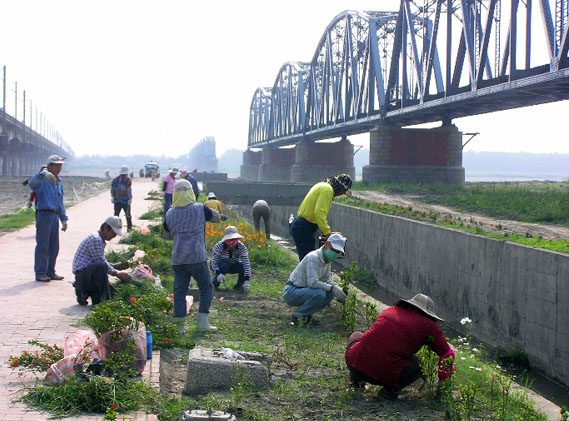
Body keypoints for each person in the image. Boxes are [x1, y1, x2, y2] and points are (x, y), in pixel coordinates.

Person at [344, 294, 455, 400]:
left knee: (356, 335)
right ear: (429, 314)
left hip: (355, 365)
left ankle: (356, 381)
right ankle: (389, 391)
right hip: (384, 374)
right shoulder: (429, 326)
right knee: (419, 363)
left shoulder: (390, 311)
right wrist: (443, 383)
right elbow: (447, 354)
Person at [164, 179, 221, 333]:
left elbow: (167, 232)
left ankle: (180, 327)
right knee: (206, 288)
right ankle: (202, 323)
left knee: (179, 292)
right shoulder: (200, 209)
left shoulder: (170, 213)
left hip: (178, 258)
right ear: (190, 193)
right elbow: (215, 218)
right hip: (196, 256)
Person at [282, 232, 348, 325]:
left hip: (305, 291)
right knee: (320, 294)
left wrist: (337, 288)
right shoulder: (313, 258)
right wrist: (332, 288)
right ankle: (298, 316)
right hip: (292, 291)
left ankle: (307, 315)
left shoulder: (327, 261)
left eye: (337, 252)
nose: (334, 253)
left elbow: (326, 280)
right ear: (326, 245)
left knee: (329, 293)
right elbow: (312, 283)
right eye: (333, 250)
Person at [290, 173, 353, 261]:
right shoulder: (328, 190)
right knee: (308, 261)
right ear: (341, 187)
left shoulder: (322, 185)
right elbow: (319, 213)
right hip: (304, 227)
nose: (341, 194)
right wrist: (327, 233)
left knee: (306, 260)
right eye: (343, 191)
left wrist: (326, 231)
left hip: (302, 225)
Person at [72, 216, 132, 306]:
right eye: (113, 233)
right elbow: (100, 262)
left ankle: (87, 293)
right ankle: (83, 290)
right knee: (101, 267)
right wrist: (117, 273)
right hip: (83, 275)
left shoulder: (99, 239)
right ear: (105, 228)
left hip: (89, 274)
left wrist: (114, 268)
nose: (114, 236)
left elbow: (99, 259)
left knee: (104, 297)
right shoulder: (96, 239)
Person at [28, 155, 69, 282]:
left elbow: (60, 201)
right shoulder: (43, 179)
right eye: (56, 165)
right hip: (44, 214)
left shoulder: (59, 181)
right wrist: (43, 173)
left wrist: (64, 218)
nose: (59, 168)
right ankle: (40, 272)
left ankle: (50, 271)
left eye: (60, 165)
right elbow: (31, 183)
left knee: (54, 246)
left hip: (55, 215)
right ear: (49, 166)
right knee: (43, 245)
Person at [210, 226, 251, 292]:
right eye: (230, 239)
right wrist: (218, 272)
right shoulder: (219, 246)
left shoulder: (241, 246)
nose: (232, 241)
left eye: (234, 238)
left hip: (234, 264)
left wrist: (247, 280)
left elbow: (246, 263)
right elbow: (214, 262)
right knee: (224, 266)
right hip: (221, 265)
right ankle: (213, 284)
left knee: (242, 266)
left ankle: (240, 285)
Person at [111, 165, 133, 232]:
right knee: (128, 215)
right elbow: (128, 190)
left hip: (116, 200)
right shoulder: (128, 180)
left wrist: (112, 196)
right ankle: (129, 228)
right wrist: (130, 198)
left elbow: (113, 189)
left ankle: (115, 228)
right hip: (125, 201)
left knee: (116, 215)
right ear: (127, 173)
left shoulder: (115, 180)